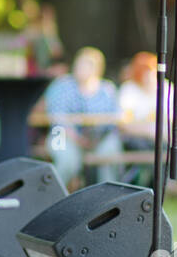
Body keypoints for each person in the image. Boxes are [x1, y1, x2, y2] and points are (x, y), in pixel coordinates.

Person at [40, 46, 122, 189]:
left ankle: (108, 196)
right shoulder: (62, 85)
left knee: (111, 151)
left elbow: (115, 118)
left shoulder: (106, 89)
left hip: (99, 137)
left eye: (87, 65)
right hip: (62, 135)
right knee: (67, 160)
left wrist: (95, 139)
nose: (81, 68)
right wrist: (78, 140)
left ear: (97, 68)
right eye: (79, 64)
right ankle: (52, 193)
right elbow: (58, 119)